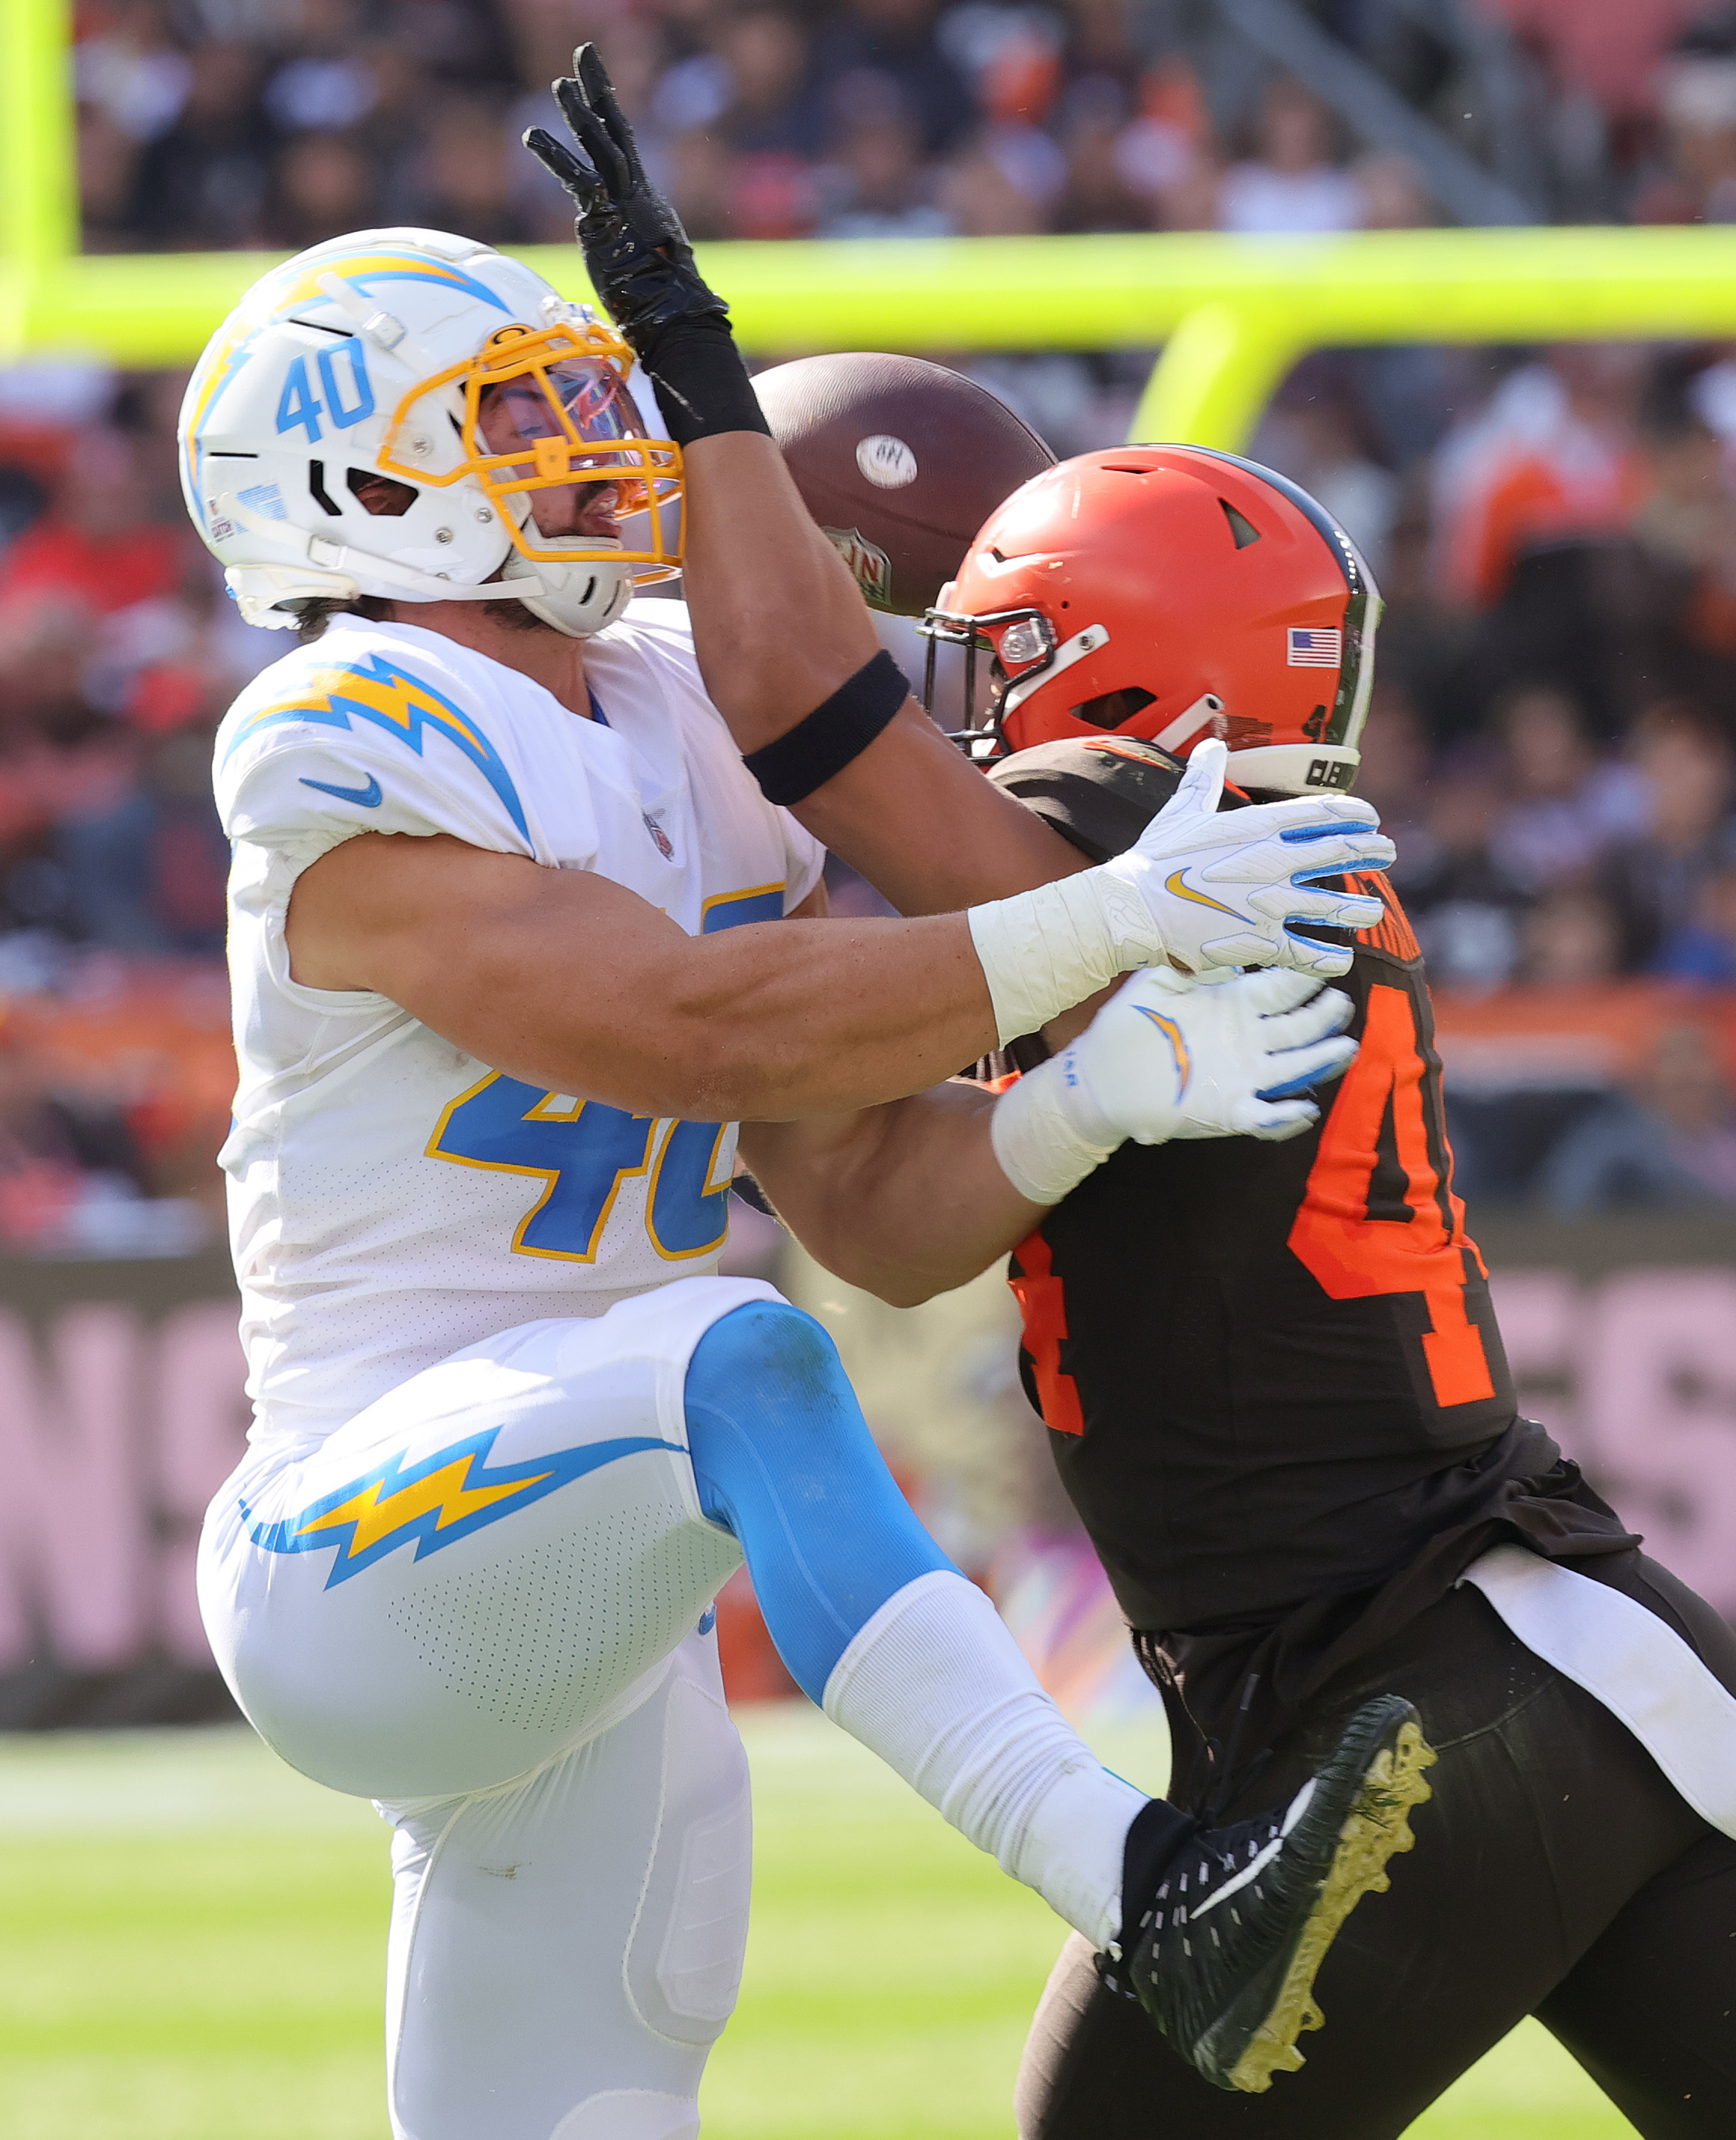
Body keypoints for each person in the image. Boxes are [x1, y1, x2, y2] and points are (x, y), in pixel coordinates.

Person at [175, 62, 1413, 2140]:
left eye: (579, 407)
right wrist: (1085, 927)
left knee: (585, 2099)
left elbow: (872, 1206)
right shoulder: (340, 732)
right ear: (352, 493)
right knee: (734, 1355)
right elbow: (696, 1031)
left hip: (588, 1554)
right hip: (358, 1545)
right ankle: (1144, 1888)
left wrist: (1093, 1094)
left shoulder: (665, 704)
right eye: (506, 422)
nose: (584, 456)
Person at [725, 439, 1736, 2128]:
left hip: (1400, 1714)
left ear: (1102, 657)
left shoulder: (1122, 839)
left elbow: (820, 737)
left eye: (997, 657)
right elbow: (879, 1213)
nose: (972, 710)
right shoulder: (1250, 866)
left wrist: (708, 432)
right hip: (1573, 1657)